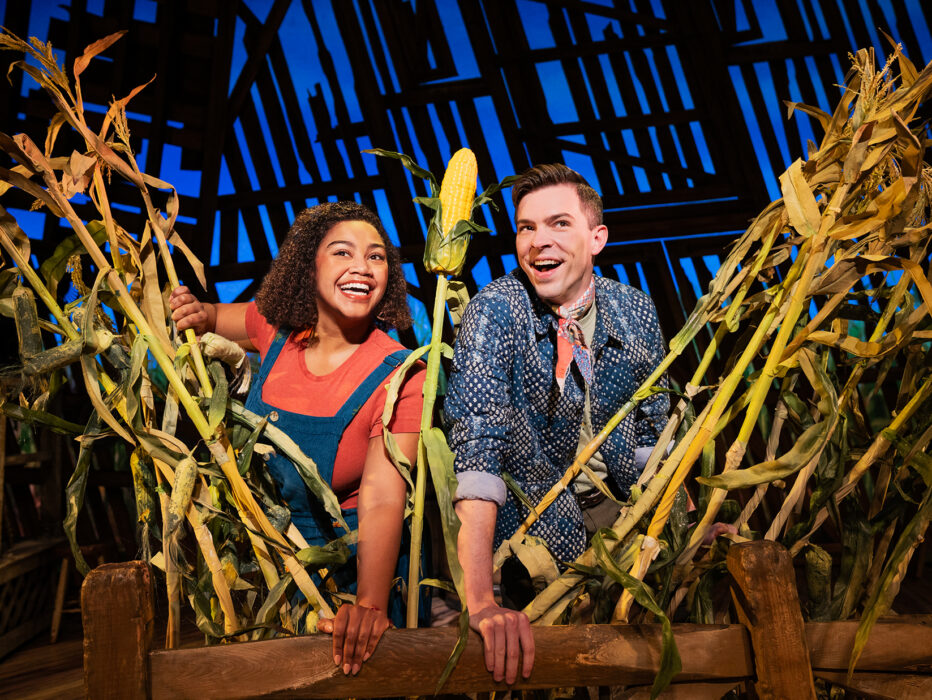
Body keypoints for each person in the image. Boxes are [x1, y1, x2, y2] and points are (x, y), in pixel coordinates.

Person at [169, 201, 424, 676]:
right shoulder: (276, 332)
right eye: (343, 252)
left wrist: (369, 605)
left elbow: (383, 496)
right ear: (309, 267)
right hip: (269, 569)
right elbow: (214, 316)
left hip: (352, 575)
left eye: (376, 256)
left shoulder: (403, 374)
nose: (362, 267)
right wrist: (196, 312)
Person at [443, 164, 669, 684]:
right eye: (526, 227)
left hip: (628, 515)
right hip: (535, 527)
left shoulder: (634, 310)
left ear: (597, 238)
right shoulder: (495, 312)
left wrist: (685, 528)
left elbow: (654, 437)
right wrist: (480, 600)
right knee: (554, 673)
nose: (538, 240)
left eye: (558, 223)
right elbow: (478, 454)